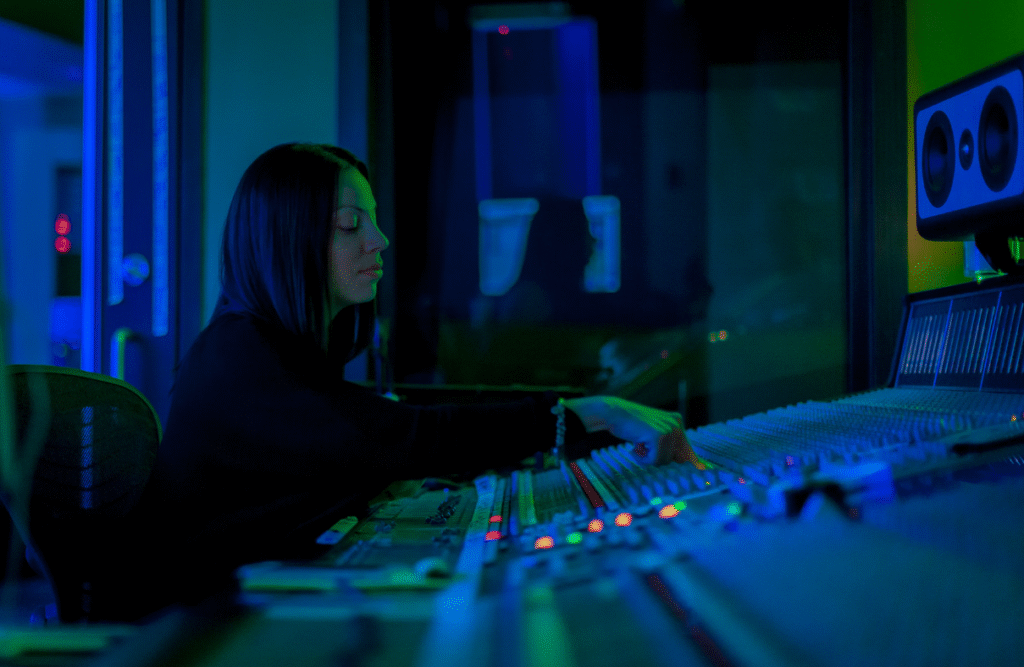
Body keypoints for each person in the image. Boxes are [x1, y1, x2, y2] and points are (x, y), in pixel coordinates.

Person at [112, 143, 696, 620]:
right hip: (194, 636)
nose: (378, 240)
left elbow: (345, 456)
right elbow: (398, 437)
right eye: (349, 224)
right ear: (288, 240)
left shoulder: (268, 351)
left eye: (371, 220)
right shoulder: (236, 354)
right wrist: (588, 412)